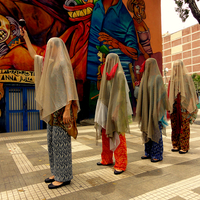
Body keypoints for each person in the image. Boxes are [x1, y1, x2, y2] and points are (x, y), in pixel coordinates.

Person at [20, 27, 80, 189]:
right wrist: (26, 36)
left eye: (51, 46)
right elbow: (34, 56)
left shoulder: (62, 64)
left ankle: (63, 176)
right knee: (52, 141)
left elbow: (69, 87)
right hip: (53, 110)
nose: (49, 49)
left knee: (61, 143)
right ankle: (55, 171)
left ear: (58, 48)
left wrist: (68, 108)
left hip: (62, 109)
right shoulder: (49, 63)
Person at [94, 53, 133, 175]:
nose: (109, 62)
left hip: (117, 110)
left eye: (111, 60)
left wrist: (115, 111)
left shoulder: (119, 75)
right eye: (108, 60)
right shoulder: (107, 75)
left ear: (116, 61)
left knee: (118, 136)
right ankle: (106, 159)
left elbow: (121, 96)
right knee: (106, 134)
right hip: (106, 109)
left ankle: (121, 164)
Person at [136, 58, 169, 162]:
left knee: (155, 131)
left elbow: (162, 95)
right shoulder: (145, 78)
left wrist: (157, 110)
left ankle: (157, 154)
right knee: (146, 130)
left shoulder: (158, 78)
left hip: (155, 111)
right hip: (146, 110)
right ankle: (148, 152)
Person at [168, 60, 198, 154]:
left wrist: (189, 107)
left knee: (184, 126)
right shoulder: (172, 78)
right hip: (174, 106)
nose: (175, 68)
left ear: (181, 67)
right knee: (174, 125)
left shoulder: (187, 78)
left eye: (177, 66)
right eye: (174, 66)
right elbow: (169, 93)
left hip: (184, 106)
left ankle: (184, 146)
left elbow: (192, 93)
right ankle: (176, 144)